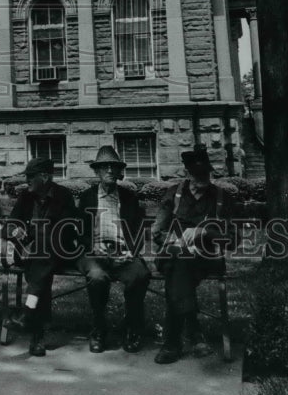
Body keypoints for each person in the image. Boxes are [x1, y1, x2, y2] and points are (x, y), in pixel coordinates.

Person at [152, 144, 235, 364]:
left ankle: (172, 343)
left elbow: (231, 239)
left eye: (205, 174)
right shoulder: (174, 194)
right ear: (188, 174)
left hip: (207, 259)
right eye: (197, 175)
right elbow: (157, 232)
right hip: (173, 253)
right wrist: (177, 241)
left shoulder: (221, 197)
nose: (202, 179)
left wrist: (203, 231)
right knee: (179, 259)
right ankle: (194, 331)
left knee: (177, 268)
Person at [76, 146, 151, 354]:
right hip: (94, 253)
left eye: (113, 167)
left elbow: (138, 231)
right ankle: (99, 329)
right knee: (97, 277)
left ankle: (132, 329)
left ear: (119, 172)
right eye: (104, 167)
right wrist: (93, 247)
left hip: (122, 252)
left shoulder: (128, 197)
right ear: (97, 172)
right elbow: (78, 232)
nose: (109, 170)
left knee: (140, 274)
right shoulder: (87, 197)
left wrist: (131, 252)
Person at [5, 157, 78, 356]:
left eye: (31, 176)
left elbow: (67, 231)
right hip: (31, 255)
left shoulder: (63, 196)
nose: (27, 180)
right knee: (41, 274)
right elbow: (10, 224)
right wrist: (16, 233)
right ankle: (32, 323)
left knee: (42, 258)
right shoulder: (26, 197)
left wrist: (37, 244)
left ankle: (32, 322)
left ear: (44, 177)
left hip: (58, 252)